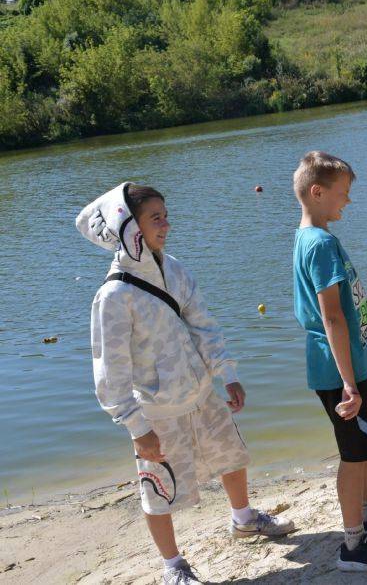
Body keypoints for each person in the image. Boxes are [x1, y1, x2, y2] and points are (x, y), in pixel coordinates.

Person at [78, 182, 294, 585]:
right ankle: (173, 567)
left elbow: (203, 325)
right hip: (157, 412)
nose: (166, 224)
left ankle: (244, 520)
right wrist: (138, 429)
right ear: (130, 227)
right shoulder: (113, 296)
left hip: (200, 393)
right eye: (155, 218)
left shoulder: (172, 267)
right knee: (158, 491)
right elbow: (110, 371)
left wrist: (226, 374)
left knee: (232, 456)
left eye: (166, 214)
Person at [292, 151, 367, 572]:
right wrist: (348, 382)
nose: (348, 202)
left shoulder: (316, 237)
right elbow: (332, 316)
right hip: (338, 370)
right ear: (317, 192)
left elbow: (349, 309)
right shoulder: (319, 244)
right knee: (353, 453)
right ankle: (353, 545)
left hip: (355, 364)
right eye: (343, 194)